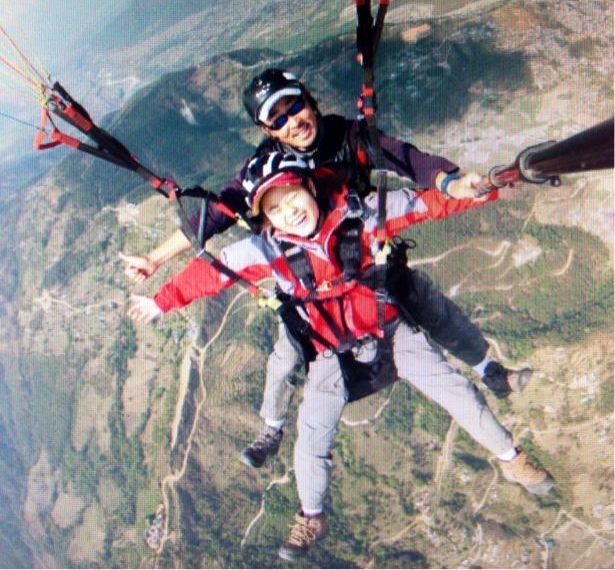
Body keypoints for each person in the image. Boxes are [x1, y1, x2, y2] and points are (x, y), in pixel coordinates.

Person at [128, 158, 554, 562]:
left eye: (292, 196)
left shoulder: (362, 216)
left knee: (453, 387)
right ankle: (311, 515)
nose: (289, 212)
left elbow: (428, 202)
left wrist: (486, 188)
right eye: (275, 209)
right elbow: (212, 272)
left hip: (390, 332)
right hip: (333, 351)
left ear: (311, 188)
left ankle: (511, 458)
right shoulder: (267, 250)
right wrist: (161, 301)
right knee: (312, 431)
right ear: (267, 220)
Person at [121, 69, 531, 467]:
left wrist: (451, 182)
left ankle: (490, 371)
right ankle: (271, 428)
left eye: (293, 107)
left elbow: (408, 160)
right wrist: (155, 259)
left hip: (366, 262)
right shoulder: (263, 168)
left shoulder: (350, 137)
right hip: (311, 282)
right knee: (288, 353)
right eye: (277, 119)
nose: (292, 121)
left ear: (309, 100)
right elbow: (214, 216)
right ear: (267, 131)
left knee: (430, 306)